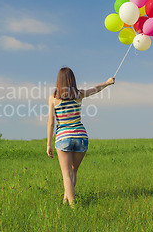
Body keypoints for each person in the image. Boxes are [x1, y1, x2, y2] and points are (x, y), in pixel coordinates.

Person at [46, 67, 115, 208]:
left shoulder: (53, 98)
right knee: (73, 171)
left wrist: (48, 144)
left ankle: (73, 207)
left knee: (66, 174)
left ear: (58, 81)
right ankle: (65, 200)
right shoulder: (79, 94)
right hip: (81, 137)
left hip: (63, 137)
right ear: (72, 80)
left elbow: (51, 122)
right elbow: (96, 89)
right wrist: (107, 83)